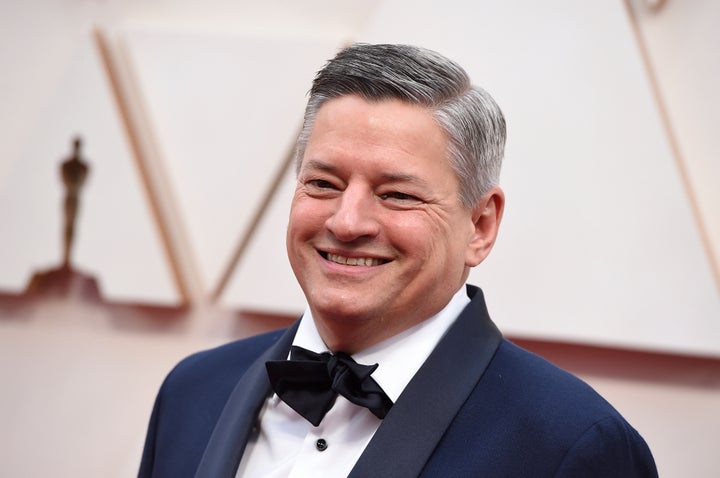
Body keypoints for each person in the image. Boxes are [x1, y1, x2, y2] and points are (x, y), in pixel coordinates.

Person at [138, 43, 657, 477]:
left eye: (397, 194)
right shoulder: (191, 391)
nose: (347, 222)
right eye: (323, 183)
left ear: (480, 226)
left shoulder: (573, 445)